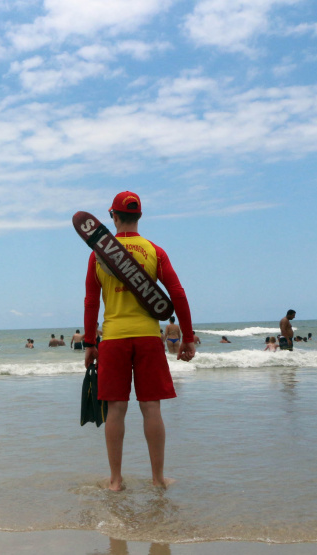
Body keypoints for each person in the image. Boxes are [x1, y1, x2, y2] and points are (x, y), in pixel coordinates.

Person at [82, 191, 196, 491]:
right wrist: (187, 337)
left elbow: (91, 301)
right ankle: (158, 479)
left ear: (113, 216)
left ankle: (116, 480)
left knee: (116, 409)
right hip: (148, 338)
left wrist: (90, 343)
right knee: (151, 407)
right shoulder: (155, 251)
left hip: (113, 339)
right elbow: (177, 293)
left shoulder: (98, 254)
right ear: (139, 216)